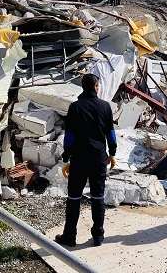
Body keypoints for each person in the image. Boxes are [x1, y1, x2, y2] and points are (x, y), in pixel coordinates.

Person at [56, 74, 117, 247]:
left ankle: (70, 236)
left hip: (79, 158)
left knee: (74, 198)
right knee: (98, 197)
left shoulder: (75, 107)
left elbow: (70, 136)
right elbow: (110, 134)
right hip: (99, 158)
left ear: (83, 87)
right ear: (96, 87)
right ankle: (98, 235)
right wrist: (112, 152)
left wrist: (66, 155)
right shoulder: (105, 107)